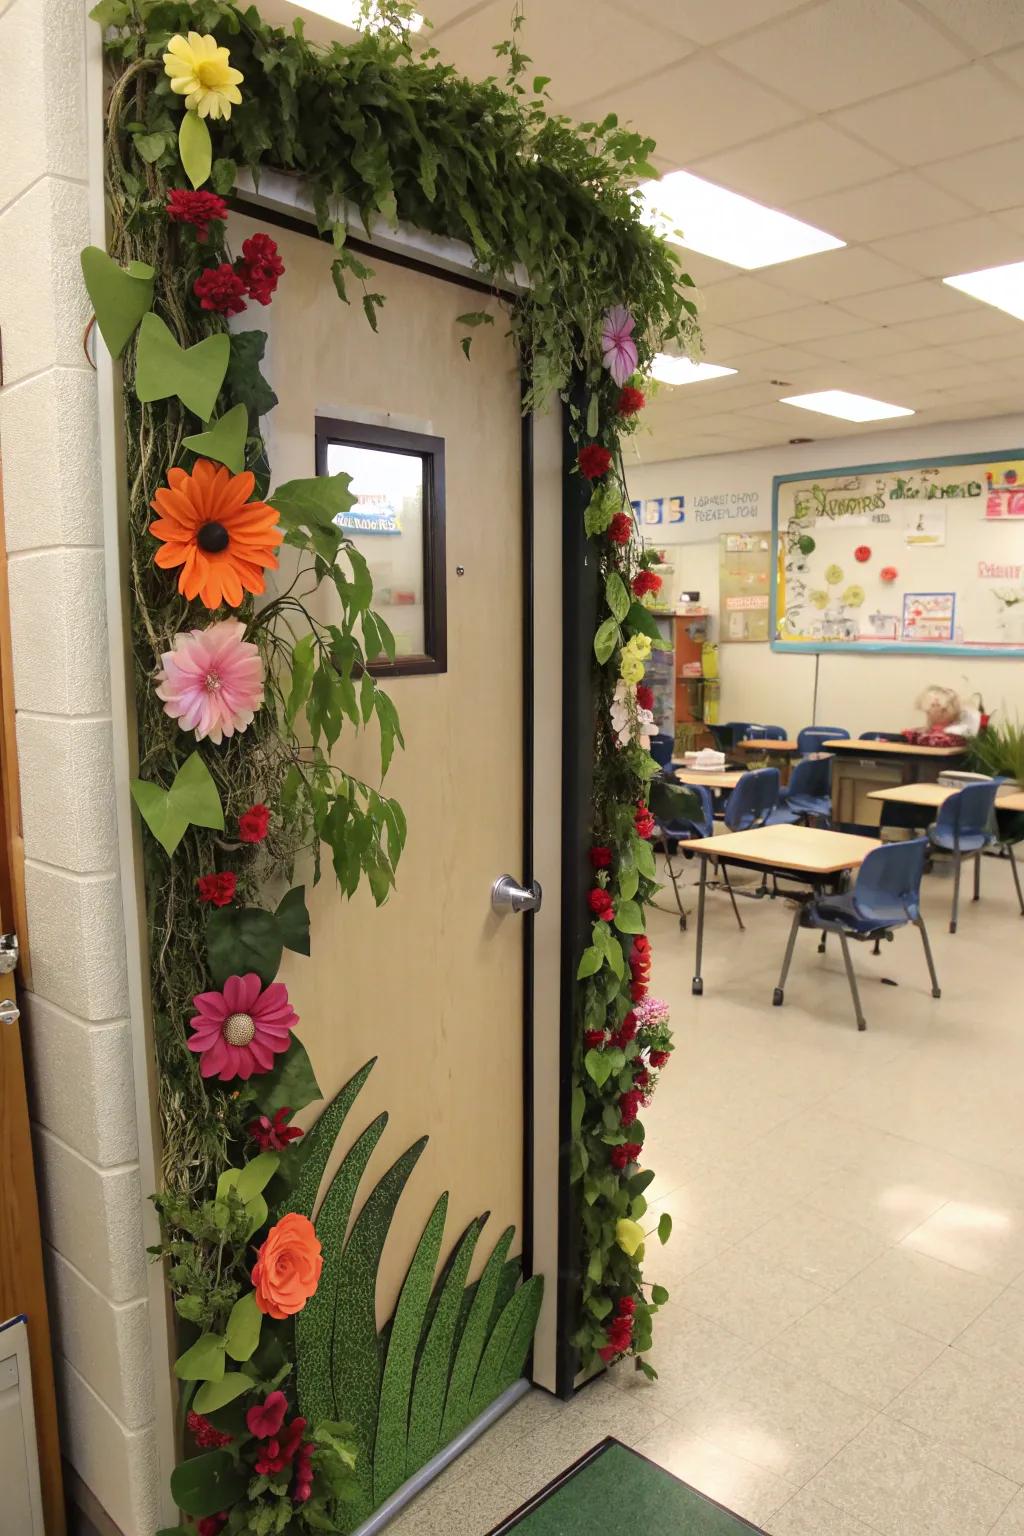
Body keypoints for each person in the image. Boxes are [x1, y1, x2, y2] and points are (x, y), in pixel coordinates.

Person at [907, 685, 981, 745]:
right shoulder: (923, 733)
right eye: (932, 705)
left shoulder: (953, 732)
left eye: (935, 705)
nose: (928, 711)